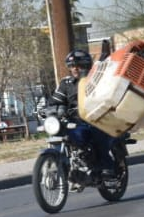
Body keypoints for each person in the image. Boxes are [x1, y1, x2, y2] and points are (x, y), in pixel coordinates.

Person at [48, 49, 116, 179]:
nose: (75, 69)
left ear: (86, 65)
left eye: (78, 65)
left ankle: (107, 166)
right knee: (57, 133)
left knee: (97, 133)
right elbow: (55, 100)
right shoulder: (66, 83)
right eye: (72, 66)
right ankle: (63, 163)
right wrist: (47, 109)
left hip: (94, 119)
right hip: (73, 121)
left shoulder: (96, 79)